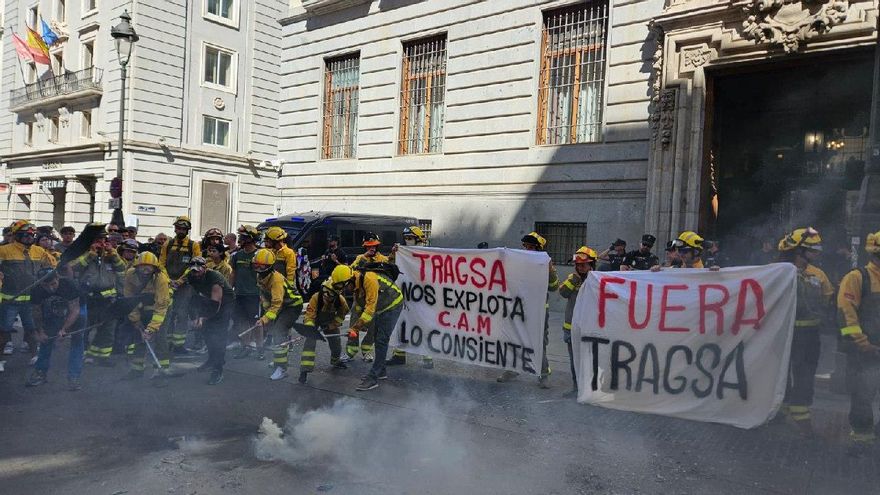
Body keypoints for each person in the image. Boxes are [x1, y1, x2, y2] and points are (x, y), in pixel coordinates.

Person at [777, 228, 834, 431]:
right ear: (799, 250)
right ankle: (780, 409)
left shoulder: (818, 275)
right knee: (780, 373)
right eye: (813, 249)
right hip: (783, 333)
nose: (817, 253)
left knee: (805, 373)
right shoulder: (779, 272)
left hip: (809, 335)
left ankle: (800, 412)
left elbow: (828, 299)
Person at [837, 228, 880, 451]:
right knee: (862, 393)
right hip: (865, 352)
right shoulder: (857, 278)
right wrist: (863, 344)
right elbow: (847, 313)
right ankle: (861, 439)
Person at [328, 264, 403, 391]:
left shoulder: (369, 279)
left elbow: (369, 309)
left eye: (344, 287)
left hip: (392, 305)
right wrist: (356, 326)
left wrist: (356, 328)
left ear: (349, 280)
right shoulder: (357, 284)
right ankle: (381, 371)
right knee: (377, 336)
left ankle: (373, 377)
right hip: (381, 308)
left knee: (381, 340)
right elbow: (358, 308)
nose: (345, 290)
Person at [498, 232, 559, 388]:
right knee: (513, 337)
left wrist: (550, 271)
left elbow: (553, 287)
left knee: (538, 342)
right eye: (525, 246)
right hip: (518, 308)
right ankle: (513, 369)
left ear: (538, 249)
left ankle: (543, 375)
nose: (526, 249)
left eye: (531, 246)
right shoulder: (517, 262)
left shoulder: (545, 264)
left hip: (538, 310)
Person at [0, 220, 57, 363]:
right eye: (26, 234)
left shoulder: (38, 251)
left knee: (32, 329)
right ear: (16, 235)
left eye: (32, 234)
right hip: (10, 300)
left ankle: (34, 356)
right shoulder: (4, 250)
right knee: (3, 330)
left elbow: (52, 266)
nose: (30, 237)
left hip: (32, 300)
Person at [26, 268, 87, 390]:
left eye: (53, 283)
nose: (51, 288)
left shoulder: (69, 285)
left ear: (58, 278)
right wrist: (40, 331)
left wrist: (64, 329)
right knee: (46, 340)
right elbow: (36, 312)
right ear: (40, 283)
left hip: (77, 309)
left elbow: (74, 310)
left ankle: (73, 377)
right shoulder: (36, 290)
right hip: (53, 310)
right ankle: (40, 372)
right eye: (46, 285)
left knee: (77, 340)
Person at [74, 228, 125, 366]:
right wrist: (91, 254)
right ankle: (83, 354)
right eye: (97, 240)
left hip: (108, 299)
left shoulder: (110, 255)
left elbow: (122, 268)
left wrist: (113, 253)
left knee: (108, 328)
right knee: (85, 328)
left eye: (103, 239)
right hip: (88, 297)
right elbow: (75, 268)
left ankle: (102, 356)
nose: (101, 242)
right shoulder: (83, 253)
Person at [122, 252, 174, 385]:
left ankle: (161, 372)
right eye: (142, 266)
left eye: (149, 267)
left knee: (160, 338)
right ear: (137, 266)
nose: (145, 269)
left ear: (154, 268)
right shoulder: (130, 275)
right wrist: (136, 320)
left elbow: (161, 306)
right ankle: (137, 370)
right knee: (138, 338)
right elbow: (129, 299)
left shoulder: (160, 278)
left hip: (162, 309)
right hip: (142, 308)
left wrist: (151, 329)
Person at [386, 226, 433, 369]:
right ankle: (399, 355)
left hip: (423, 298)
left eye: (410, 238)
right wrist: (394, 254)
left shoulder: (429, 253)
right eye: (406, 238)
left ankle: (428, 358)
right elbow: (390, 266)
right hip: (405, 296)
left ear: (418, 239)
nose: (407, 241)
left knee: (422, 326)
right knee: (402, 324)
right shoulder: (403, 253)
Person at [253, 248, 303, 381]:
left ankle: (282, 368)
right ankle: (278, 361)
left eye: (261, 265)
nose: (258, 268)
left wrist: (264, 319)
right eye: (255, 264)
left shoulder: (276, 280)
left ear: (269, 266)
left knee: (279, 332)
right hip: (280, 306)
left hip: (292, 306)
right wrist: (265, 313)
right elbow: (263, 295)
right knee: (274, 331)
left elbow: (277, 303)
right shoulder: (261, 276)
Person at [183, 257, 234, 385]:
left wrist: (203, 318)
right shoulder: (191, 276)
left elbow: (215, 303)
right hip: (207, 300)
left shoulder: (214, 277)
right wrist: (194, 317)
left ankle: (218, 369)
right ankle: (211, 360)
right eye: (193, 271)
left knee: (218, 336)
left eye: (198, 270)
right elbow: (191, 298)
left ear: (205, 269)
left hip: (224, 303)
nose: (196, 273)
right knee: (206, 333)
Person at [559, 246, 597, 398]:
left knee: (590, 359)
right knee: (574, 359)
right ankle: (576, 388)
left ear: (591, 265)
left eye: (584, 265)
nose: (580, 268)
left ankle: (591, 388)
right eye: (578, 265)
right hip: (571, 328)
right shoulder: (572, 279)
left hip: (591, 328)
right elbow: (562, 292)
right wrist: (574, 279)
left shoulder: (597, 280)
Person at [159, 216, 201, 353]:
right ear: (175, 228)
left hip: (185, 285)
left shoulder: (193, 245)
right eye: (178, 228)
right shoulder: (168, 244)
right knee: (168, 314)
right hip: (168, 283)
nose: (180, 230)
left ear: (188, 230)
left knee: (182, 314)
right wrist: (167, 280)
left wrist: (181, 280)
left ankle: (179, 345)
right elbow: (161, 264)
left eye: (183, 228)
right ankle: (168, 342)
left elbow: (195, 264)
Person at [345, 232, 389, 361]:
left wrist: (394, 253)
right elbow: (350, 272)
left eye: (374, 246)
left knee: (373, 328)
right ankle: (350, 352)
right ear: (365, 247)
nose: (372, 249)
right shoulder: (360, 258)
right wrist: (364, 258)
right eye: (369, 246)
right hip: (359, 300)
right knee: (354, 326)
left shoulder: (383, 259)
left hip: (375, 300)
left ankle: (367, 351)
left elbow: (392, 266)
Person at [298, 279, 350, 383]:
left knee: (335, 341)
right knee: (310, 342)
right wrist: (310, 328)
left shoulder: (341, 301)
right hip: (315, 320)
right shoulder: (316, 297)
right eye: (325, 291)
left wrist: (333, 324)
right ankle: (304, 370)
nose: (326, 295)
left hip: (329, 321)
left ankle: (336, 361)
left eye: (330, 293)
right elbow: (309, 316)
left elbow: (341, 315)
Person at [231, 225, 263, 360]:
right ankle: (246, 347)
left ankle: (260, 349)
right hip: (239, 294)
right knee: (242, 322)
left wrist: (263, 294)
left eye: (243, 237)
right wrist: (229, 290)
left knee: (256, 323)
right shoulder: (237, 255)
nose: (240, 239)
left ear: (251, 239)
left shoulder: (260, 255)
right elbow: (233, 274)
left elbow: (264, 275)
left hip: (254, 295)